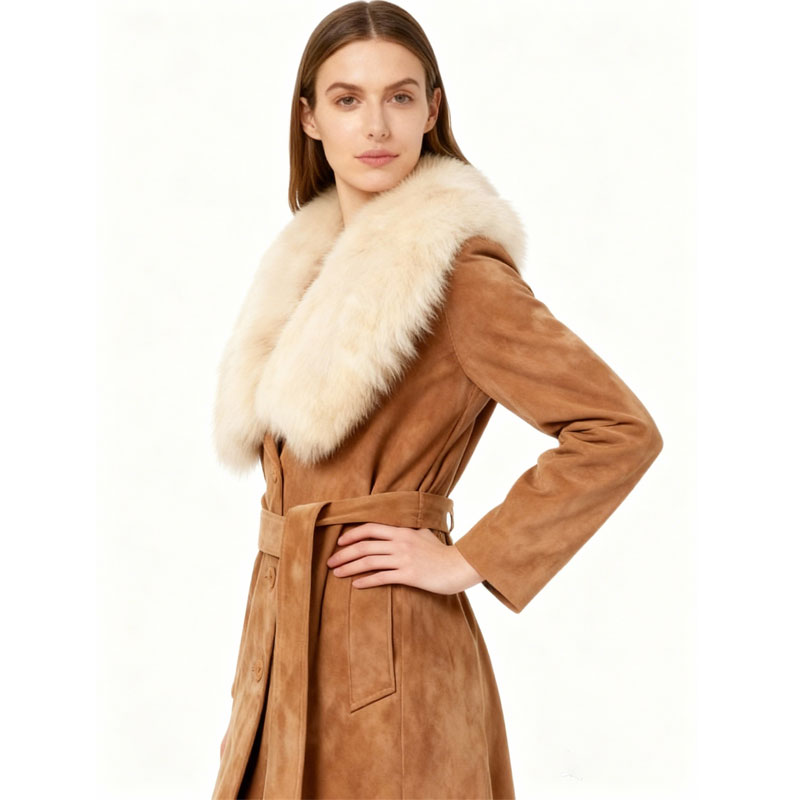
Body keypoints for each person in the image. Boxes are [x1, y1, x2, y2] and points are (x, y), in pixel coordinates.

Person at [210, 2, 663, 798]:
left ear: (431, 110)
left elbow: (618, 429)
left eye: (400, 96)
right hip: (279, 648)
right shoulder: (303, 273)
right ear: (309, 118)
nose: (375, 125)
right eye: (347, 99)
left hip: (393, 659)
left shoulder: (457, 276)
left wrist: (470, 558)